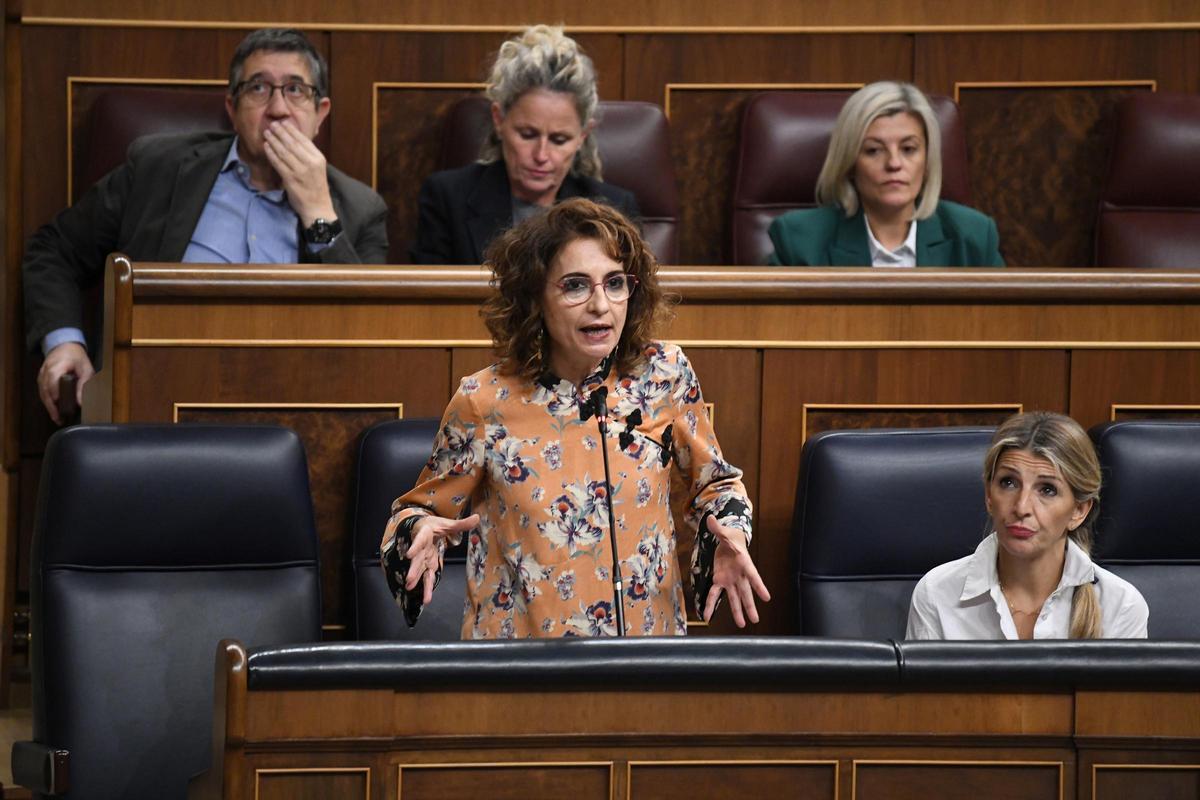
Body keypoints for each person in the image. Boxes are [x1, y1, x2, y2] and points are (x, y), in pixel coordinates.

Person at [382, 197, 768, 638]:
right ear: (535, 297)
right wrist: (417, 531)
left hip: (645, 651)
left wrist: (730, 531)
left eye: (615, 283)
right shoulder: (483, 400)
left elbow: (716, 485)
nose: (601, 305)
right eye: (575, 286)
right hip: (521, 658)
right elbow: (416, 511)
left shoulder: (664, 375)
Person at [23, 27, 389, 424]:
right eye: (258, 88)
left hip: (293, 413)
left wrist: (318, 213)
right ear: (232, 107)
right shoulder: (158, 168)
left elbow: (370, 339)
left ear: (321, 113)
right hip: (154, 401)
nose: (278, 109)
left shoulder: (360, 208)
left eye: (296, 90)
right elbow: (54, 249)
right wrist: (64, 344)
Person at [409, 25, 639, 265]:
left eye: (559, 140)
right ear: (499, 120)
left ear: (582, 135)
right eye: (527, 135)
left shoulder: (614, 208)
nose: (541, 155)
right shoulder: (447, 197)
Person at [907, 412, 1148, 640]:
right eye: (1008, 483)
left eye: (1047, 490)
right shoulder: (937, 593)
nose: (1022, 507)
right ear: (989, 496)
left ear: (1079, 510)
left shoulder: (1121, 606)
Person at [767, 81, 1004, 268]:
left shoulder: (973, 236)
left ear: (928, 160)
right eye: (874, 150)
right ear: (849, 163)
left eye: (908, 149)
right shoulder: (798, 241)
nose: (894, 163)